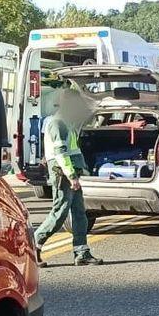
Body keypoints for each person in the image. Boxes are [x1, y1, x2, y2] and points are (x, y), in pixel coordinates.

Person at [33, 88, 103, 266]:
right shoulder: (58, 124)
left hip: (70, 174)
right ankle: (33, 244)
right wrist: (72, 176)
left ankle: (82, 253)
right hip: (63, 174)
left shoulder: (68, 122)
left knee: (80, 214)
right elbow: (61, 154)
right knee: (60, 213)